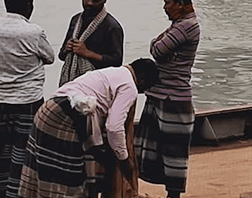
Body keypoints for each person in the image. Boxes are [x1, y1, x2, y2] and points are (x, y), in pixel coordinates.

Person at [19, 60, 160, 198]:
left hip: (48, 110)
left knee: (47, 169)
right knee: (67, 176)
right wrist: (124, 159)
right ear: (142, 80)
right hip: (63, 118)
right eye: (147, 86)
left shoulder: (114, 72)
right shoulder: (130, 86)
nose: (144, 91)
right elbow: (114, 128)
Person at [0, 0, 56, 198]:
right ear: (28, 5)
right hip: (28, 101)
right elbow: (50, 57)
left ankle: (1, 193)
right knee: (23, 154)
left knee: (1, 152)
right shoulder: (34, 31)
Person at [135, 0, 201, 198]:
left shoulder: (186, 25)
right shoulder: (180, 24)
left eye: (168, 2)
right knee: (151, 150)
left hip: (173, 97)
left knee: (174, 152)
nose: (165, 7)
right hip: (160, 94)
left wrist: (157, 40)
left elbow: (157, 49)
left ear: (181, 4)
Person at [59, 0, 124, 86]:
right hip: (72, 83)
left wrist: (87, 53)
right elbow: (61, 55)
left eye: (96, 0)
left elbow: (116, 62)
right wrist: (67, 48)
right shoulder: (75, 20)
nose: (90, 3)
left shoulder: (112, 27)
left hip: (98, 85)